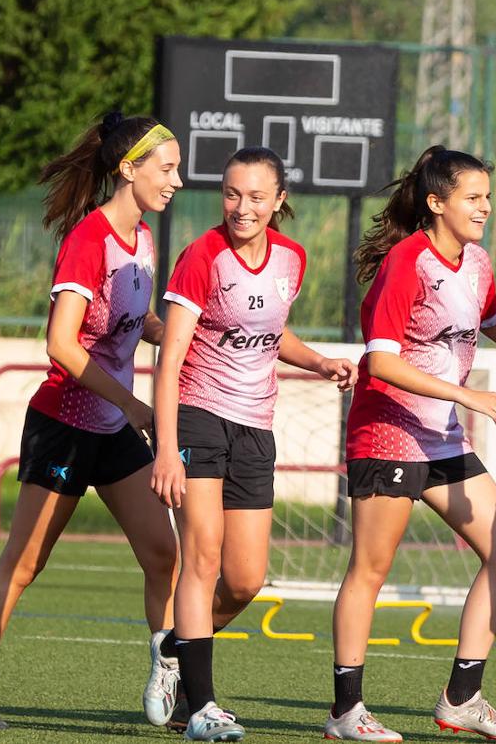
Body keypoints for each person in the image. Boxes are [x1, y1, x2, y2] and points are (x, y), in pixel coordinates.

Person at [323, 145, 496, 743]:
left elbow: (492, 319)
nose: (484, 207)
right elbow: (380, 362)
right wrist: (465, 397)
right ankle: (345, 711)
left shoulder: (476, 261)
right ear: (436, 203)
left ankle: (461, 698)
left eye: (487, 197)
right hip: (388, 431)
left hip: (440, 438)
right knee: (371, 569)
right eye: (472, 198)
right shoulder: (408, 262)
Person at [0, 112, 182, 729]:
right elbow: (63, 344)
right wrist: (133, 405)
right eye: (167, 168)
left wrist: (183, 333)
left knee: (163, 555)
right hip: (67, 425)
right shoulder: (89, 237)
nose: (176, 181)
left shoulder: (145, 240)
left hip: (113, 430)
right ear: (128, 170)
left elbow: (140, 323)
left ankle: (176, 687)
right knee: (24, 563)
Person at [150, 146, 357, 742]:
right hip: (198, 418)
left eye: (257, 196)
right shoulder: (201, 257)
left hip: (255, 426)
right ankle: (202, 708)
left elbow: (270, 332)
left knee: (244, 580)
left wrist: (317, 361)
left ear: (279, 200)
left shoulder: (293, 258)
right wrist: (167, 448)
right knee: (203, 558)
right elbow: (170, 361)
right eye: (232, 194)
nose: (242, 207)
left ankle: (174, 648)